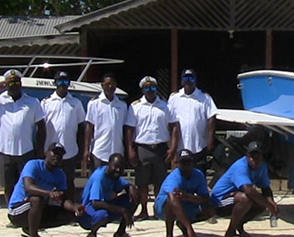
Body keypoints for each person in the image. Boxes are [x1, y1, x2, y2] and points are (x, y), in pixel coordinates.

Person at [0, 69, 45, 204]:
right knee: (8, 185)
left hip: (25, 150)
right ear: (6, 84)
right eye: (11, 83)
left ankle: (24, 214)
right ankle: (12, 212)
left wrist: (40, 149)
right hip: (4, 150)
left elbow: (41, 126)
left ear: (21, 84)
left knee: (26, 184)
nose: (14, 85)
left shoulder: (32, 102)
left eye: (17, 82)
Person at [6, 143, 84, 237]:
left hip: (37, 208)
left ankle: (30, 228)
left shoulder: (60, 174)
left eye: (60, 155)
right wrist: (49, 193)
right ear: (46, 153)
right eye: (54, 153)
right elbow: (28, 187)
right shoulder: (33, 165)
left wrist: (74, 208)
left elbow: (64, 199)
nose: (57, 156)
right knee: (37, 199)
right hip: (17, 210)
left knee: (69, 215)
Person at [210, 140, 279, 237]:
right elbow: (248, 190)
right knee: (245, 199)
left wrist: (271, 202)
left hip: (235, 198)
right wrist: (268, 205)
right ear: (247, 156)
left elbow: (265, 187)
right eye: (252, 157)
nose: (254, 160)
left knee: (260, 203)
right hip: (220, 201)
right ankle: (230, 233)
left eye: (257, 157)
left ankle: (239, 226)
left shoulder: (262, 167)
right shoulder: (240, 166)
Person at [126, 76, 176, 219]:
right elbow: (129, 129)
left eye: (153, 88)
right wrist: (130, 149)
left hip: (161, 148)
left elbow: (174, 127)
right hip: (143, 148)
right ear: (142, 90)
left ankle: (157, 210)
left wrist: (172, 148)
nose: (150, 91)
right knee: (142, 182)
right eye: (147, 88)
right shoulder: (135, 107)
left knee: (159, 181)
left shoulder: (166, 106)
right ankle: (143, 211)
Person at [155, 149, 215, 237]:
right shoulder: (174, 177)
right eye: (183, 161)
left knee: (210, 209)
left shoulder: (198, 175)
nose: (186, 164)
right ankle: (169, 236)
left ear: (193, 163)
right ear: (178, 163)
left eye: (188, 161)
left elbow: (205, 198)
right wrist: (189, 228)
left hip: (184, 203)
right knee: (170, 201)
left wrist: (186, 196)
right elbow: (173, 200)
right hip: (163, 207)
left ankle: (182, 224)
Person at [40, 70, 85, 201]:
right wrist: (41, 149)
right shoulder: (46, 102)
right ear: (55, 83)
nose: (63, 84)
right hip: (51, 152)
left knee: (68, 182)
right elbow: (41, 128)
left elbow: (81, 128)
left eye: (65, 81)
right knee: (48, 182)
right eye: (60, 81)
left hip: (69, 151)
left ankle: (69, 212)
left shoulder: (76, 103)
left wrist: (81, 150)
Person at [77, 153, 139, 237]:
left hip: (104, 206)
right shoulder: (99, 177)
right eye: (116, 167)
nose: (118, 170)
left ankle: (120, 233)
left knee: (134, 197)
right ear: (108, 164)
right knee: (102, 214)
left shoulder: (115, 176)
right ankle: (92, 234)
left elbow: (126, 185)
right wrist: (122, 210)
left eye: (121, 168)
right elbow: (95, 203)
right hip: (87, 213)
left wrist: (130, 187)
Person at [167, 68, 218, 168]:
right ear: (181, 81)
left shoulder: (205, 98)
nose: (188, 81)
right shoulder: (174, 98)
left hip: (199, 145)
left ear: (195, 80)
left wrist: (210, 139)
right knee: (180, 177)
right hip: (179, 146)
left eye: (191, 78)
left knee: (198, 174)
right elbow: (169, 120)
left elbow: (211, 118)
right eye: (186, 78)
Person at [82, 73, 130, 173]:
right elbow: (89, 127)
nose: (110, 86)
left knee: (114, 184)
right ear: (102, 85)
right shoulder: (94, 103)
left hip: (117, 151)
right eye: (107, 84)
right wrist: (86, 150)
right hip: (99, 151)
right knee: (97, 181)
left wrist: (128, 149)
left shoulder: (122, 105)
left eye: (112, 83)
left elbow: (125, 129)